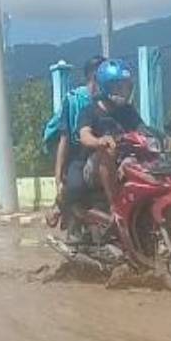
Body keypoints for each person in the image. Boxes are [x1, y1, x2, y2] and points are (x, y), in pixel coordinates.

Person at [43, 55, 105, 235]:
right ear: (91, 78)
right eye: (98, 78)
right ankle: (59, 205)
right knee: (74, 184)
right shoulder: (74, 100)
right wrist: (58, 180)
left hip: (92, 146)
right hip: (67, 144)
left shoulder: (109, 99)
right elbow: (64, 138)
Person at [78, 59, 144, 212]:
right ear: (105, 86)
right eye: (118, 87)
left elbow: (143, 129)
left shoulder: (128, 111)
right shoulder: (90, 111)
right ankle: (115, 206)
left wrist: (164, 138)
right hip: (94, 166)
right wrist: (100, 141)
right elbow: (84, 135)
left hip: (125, 161)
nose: (123, 92)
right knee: (108, 151)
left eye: (126, 87)